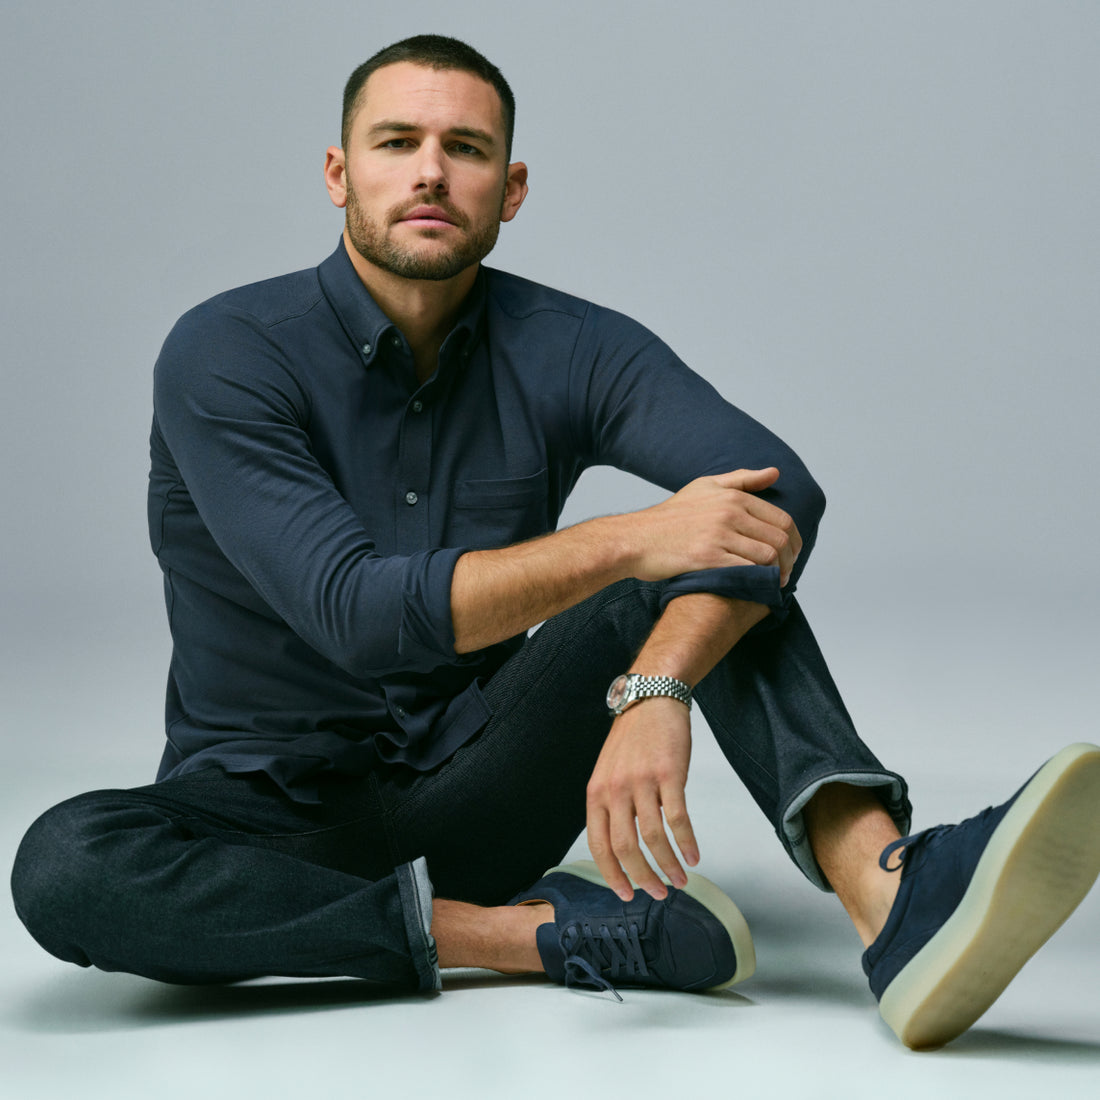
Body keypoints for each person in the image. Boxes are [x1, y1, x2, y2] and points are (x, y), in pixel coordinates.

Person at [11, 34, 1100, 1052]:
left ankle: (890, 892)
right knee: (64, 867)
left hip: (473, 784)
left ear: (510, 189)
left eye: (465, 149)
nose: (430, 172)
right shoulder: (227, 352)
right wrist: (630, 538)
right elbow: (355, 611)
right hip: (257, 827)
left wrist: (658, 687)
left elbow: (783, 491)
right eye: (398, 144)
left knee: (725, 537)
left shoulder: (566, 343)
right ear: (340, 174)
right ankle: (537, 932)